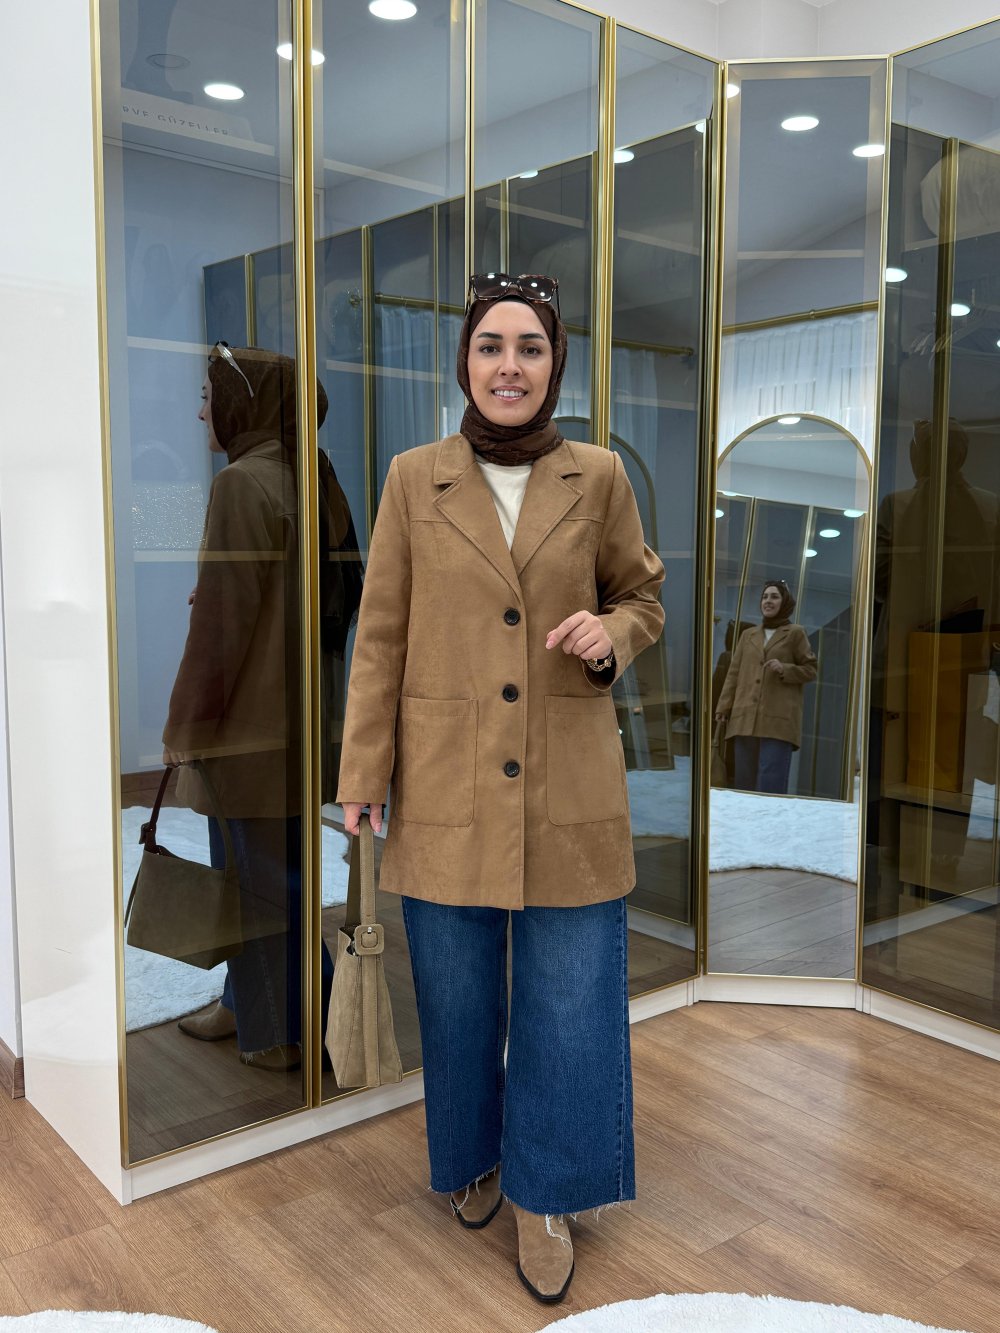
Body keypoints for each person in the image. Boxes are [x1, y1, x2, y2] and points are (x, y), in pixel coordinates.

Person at [335, 273, 665, 1305]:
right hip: (445, 774)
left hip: (569, 778)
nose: (509, 366)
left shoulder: (598, 474)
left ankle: (546, 1192)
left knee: (568, 1003)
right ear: (465, 361)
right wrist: (362, 772)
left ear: (555, 363)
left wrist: (610, 634)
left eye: (530, 347)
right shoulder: (412, 478)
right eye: (491, 346)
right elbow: (379, 634)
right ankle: (474, 1156)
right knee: (457, 995)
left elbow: (642, 595)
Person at [164, 344, 362, 1070]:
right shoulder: (312, 472)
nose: (201, 413)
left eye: (208, 396)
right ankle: (246, 1002)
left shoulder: (241, 483)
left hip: (250, 726)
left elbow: (221, 629)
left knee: (256, 885)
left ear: (242, 404)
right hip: (303, 715)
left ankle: (284, 1031)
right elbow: (335, 594)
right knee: (267, 876)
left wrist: (184, 726)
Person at [714, 579, 817, 795]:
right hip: (744, 718)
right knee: (743, 785)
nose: (768, 601)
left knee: (771, 784)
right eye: (765, 597)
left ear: (785, 602)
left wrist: (784, 668)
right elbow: (733, 674)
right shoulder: (748, 635)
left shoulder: (795, 633)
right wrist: (724, 707)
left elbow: (811, 670)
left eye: (774, 597)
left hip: (778, 721)